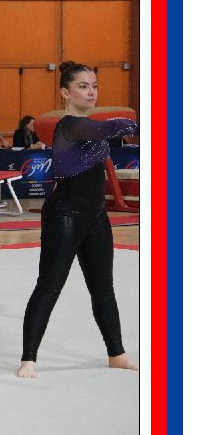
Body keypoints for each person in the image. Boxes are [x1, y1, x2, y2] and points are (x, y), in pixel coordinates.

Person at [17, 62, 138, 378]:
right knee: (49, 286)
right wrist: (138, 121)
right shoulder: (69, 126)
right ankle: (29, 358)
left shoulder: (89, 125)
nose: (91, 92)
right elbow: (109, 128)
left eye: (94, 85)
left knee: (103, 288)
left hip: (96, 216)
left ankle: (116, 353)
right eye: (83, 86)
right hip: (65, 216)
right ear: (65, 92)